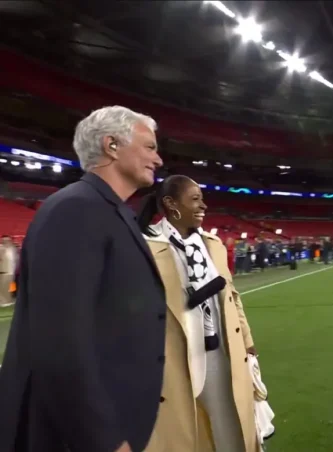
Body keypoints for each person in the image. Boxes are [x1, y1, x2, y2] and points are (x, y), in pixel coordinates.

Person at [0, 106, 166, 452]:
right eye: (149, 147)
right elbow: (60, 340)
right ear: (112, 145)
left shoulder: (108, 210)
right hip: (73, 434)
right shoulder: (76, 209)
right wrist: (102, 438)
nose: (159, 159)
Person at [136, 175, 261, 452]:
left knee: (231, 431)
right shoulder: (144, 246)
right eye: (195, 199)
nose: (203, 206)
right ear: (170, 204)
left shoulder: (212, 244)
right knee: (184, 436)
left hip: (219, 352)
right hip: (174, 359)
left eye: (202, 199)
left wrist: (248, 342)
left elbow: (232, 296)